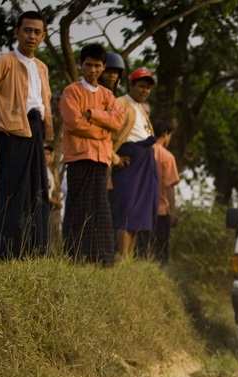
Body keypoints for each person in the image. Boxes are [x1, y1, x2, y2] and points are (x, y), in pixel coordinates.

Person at [0, 10, 52, 259]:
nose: (31, 36)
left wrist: (48, 131)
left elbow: (44, 102)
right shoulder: (4, 62)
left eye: (37, 32)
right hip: (12, 132)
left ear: (43, 36)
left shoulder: (42, 67)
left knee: (37, 191)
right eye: (27, 30)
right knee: (11, 193)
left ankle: (34, 251)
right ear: (17, 32)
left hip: (35, 131)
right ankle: (5, 254)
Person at [60, 43, 125, 266]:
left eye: (98, 66)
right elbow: (74, 123)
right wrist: (102, 129)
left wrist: (93, 114)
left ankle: (102, 258)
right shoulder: (71, 91)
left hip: (101, 159)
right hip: (79, 157)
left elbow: (117, 122)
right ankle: (74, 255)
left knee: (100, 209)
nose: (93, 70)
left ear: (104, 66)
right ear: (81, 65)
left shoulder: (108, 95)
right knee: (78, 206)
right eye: (88, 65)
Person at [109, 68, 159, 261]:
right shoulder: (121, 103)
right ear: (131, 85)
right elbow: (108, 134)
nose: (145, 90)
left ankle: (128, 258)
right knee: (128, 208)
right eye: (141, 86)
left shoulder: (141, 108)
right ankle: (120, 255)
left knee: (139, 211)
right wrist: (115, 157)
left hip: (145, 160)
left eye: (148, 88)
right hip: (129, 158)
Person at [150, 119, 180, 264]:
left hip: (142, 208)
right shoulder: (167, 157)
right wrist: (173, 210)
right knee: (160, 249)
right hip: (161, 210)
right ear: (165, 134)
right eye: (169, 136)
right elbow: (169, 186)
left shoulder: (145, 151)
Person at [43, 144, 63, 254]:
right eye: (44, 154)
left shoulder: (49, 171)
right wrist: (56, 202)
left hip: (48, 205)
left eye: (48, 154)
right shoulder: (39, 170)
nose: (46, 156)